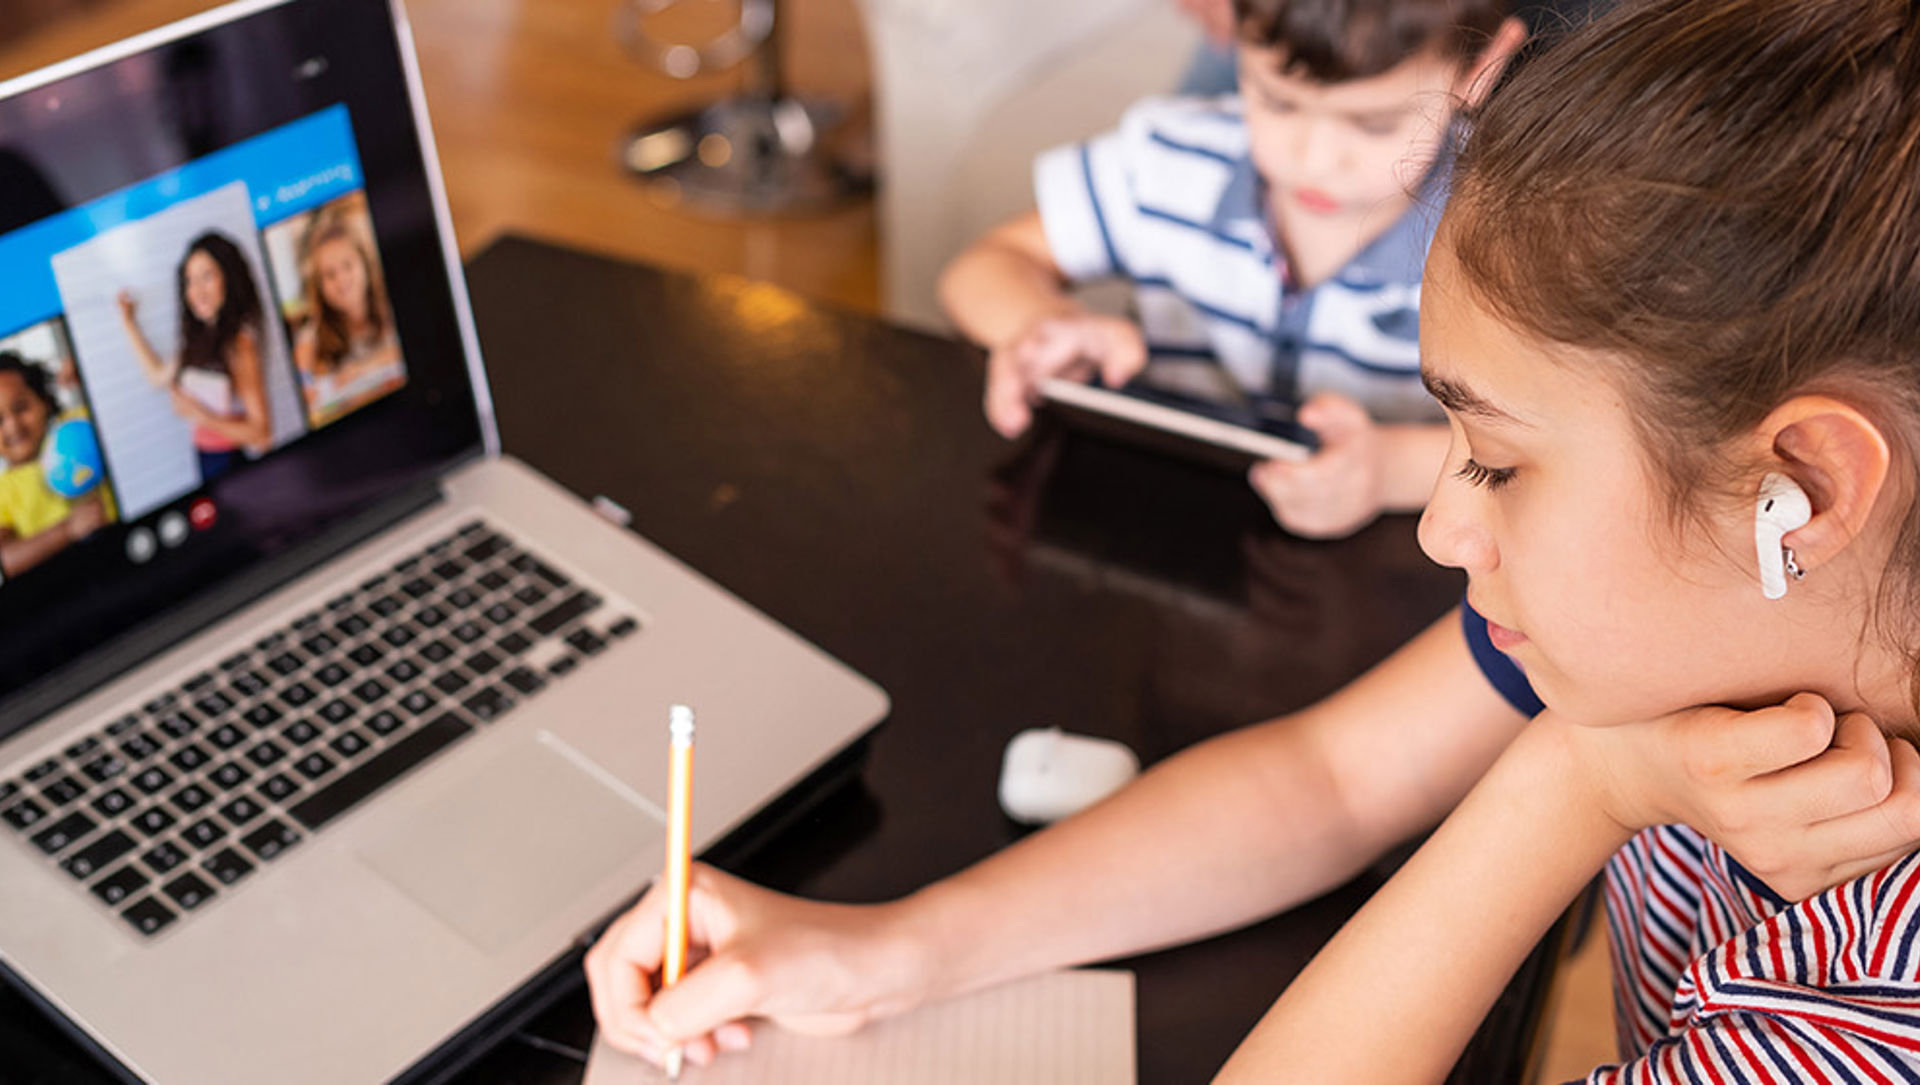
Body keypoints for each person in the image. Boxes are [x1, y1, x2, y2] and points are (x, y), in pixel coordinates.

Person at [584, 0, 1920, 1077]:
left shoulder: (1859, 1021)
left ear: (1800, 480)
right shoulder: (1703, 634)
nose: (1450, 523)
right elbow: (1331, 782)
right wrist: (886, 951)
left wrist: (1572, 786)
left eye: (1499, 463)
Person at [939, 0, 1528, 539]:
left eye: (1371, 123)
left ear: (1481, 65)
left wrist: (1388, 470)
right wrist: (1042, 324)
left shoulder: (1507, 235)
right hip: (1154, 529)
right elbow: (985, 267)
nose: (1314, 158)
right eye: (1278, 101)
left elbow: (1544, 446)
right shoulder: (1172, 158)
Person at [117, 230, 273, 480]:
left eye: (207, 277)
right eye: (190, 280)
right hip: (205, 457)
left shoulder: (238, 344)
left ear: (228, 278)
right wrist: (128, 322)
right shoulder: (197, 339)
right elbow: (158, 376)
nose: (196, 291)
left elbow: (261, 432)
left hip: (230, 461)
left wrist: (197, 413)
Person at [0, 352, 111, 576]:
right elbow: (5, 559)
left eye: (21, 408)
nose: (13, 426)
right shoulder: (3, 491)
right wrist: (68, 530)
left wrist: (92, 373)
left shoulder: (78, 422)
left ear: (45, 402)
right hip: (64, 583)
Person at [290, 206, 402, 425]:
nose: (341, 281)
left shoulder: (391, 306)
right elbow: (305, 389)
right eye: (329, 275)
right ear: (319, 286)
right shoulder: (310, 339)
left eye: (348, 266)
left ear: (365, 264)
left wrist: (362, 370)